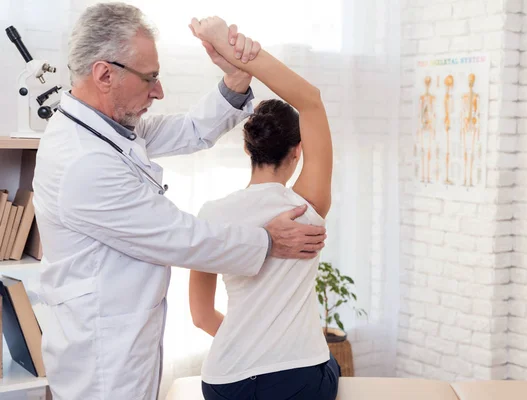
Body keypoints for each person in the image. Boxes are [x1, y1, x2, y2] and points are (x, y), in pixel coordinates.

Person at [32, 3, 326, 400]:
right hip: (103, 357)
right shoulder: (83, 162)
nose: (159, 90)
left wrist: (236, 76)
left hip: (202, 367)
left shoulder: (110, 130)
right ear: (104, 75)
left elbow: (190, 129)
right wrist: (270, 241)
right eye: (150, 78)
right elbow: (181, 238)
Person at [188, 16, 340, 400]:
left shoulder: (211, 215)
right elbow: (310, 100)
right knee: (330, 364)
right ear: (297, 151)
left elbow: (202, 316)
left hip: (223, 380)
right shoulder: (306, 205)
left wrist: (248, 345)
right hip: (297, 377)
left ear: (247, 148)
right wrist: (237, 50)